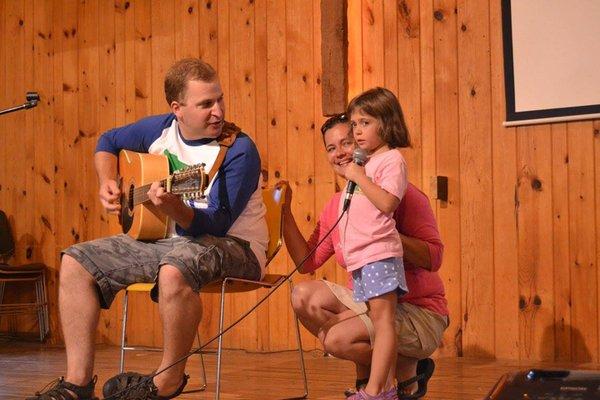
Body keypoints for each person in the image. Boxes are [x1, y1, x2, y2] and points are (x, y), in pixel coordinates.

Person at [29, 58, 268, 400]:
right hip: (166, 241)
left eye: (219, 100)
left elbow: (216, 223)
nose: (218, 111)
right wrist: (108, 182)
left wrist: (174, 207)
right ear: (177, 109)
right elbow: (107, 142)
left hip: (236, 246)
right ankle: (77, 385)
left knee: (175, 270)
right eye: (205, 104)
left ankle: (167, 381)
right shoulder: (159, 130)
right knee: (76, 261)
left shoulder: (239, 150)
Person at [283, 106, 448, 399]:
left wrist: (383, 236)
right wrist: (284, 212)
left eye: (346, 142)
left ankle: (391, 378)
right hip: (368, 302)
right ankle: (396, 373)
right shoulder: (339, 203)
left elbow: (434, 257)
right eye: (331, 148)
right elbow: (307, 263)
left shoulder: (402, 194)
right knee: (302, 296)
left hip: (418, 310)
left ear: (363, 141)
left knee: (337, 340)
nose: (340, 153)